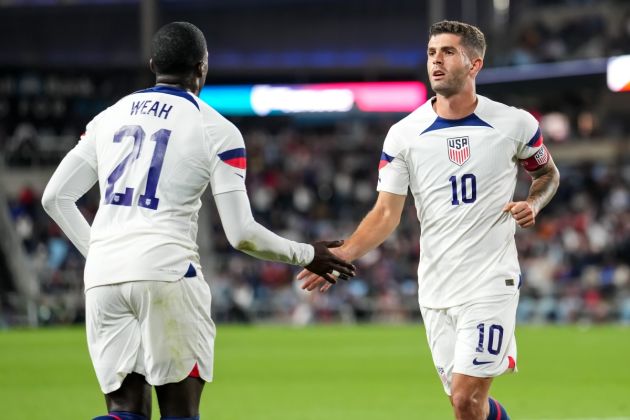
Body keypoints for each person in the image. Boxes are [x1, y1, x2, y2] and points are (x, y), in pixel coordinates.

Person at [41, 22, 355, 420]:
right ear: (202, 67)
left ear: (154, 64)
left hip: (103, 278)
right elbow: (242, 235)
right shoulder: (216, 129)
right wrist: (308, 253)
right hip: (167, 272)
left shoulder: (109, 117)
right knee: (180, 412)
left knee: (123, 410)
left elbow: (56, 197)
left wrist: (100, 251)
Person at [299, 20, 560, 420]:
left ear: (475, 64)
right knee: (466, 406)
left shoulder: (514, 123)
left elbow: (546, 173)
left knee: (465, 398)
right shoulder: (404, 135)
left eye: (448, 52)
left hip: (491, 281)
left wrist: (534, 204)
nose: (436, 60)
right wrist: (343, 253)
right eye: (431, 53)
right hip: (436, 288)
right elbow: (387, 212)